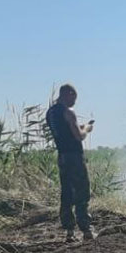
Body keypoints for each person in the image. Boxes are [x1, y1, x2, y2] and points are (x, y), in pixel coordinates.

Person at [45, 84, 94, 241]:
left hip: (62, 156)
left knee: (66, 193)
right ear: (69, 94)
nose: (74, 102)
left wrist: (77, 127)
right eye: (74, 98)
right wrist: (86, 128)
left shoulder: (51, 112)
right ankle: (86, 230)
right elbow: (78, 136)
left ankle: (69, 232)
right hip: (74, 156)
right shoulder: (68, 111)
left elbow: (66, 131)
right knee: (82, 191)